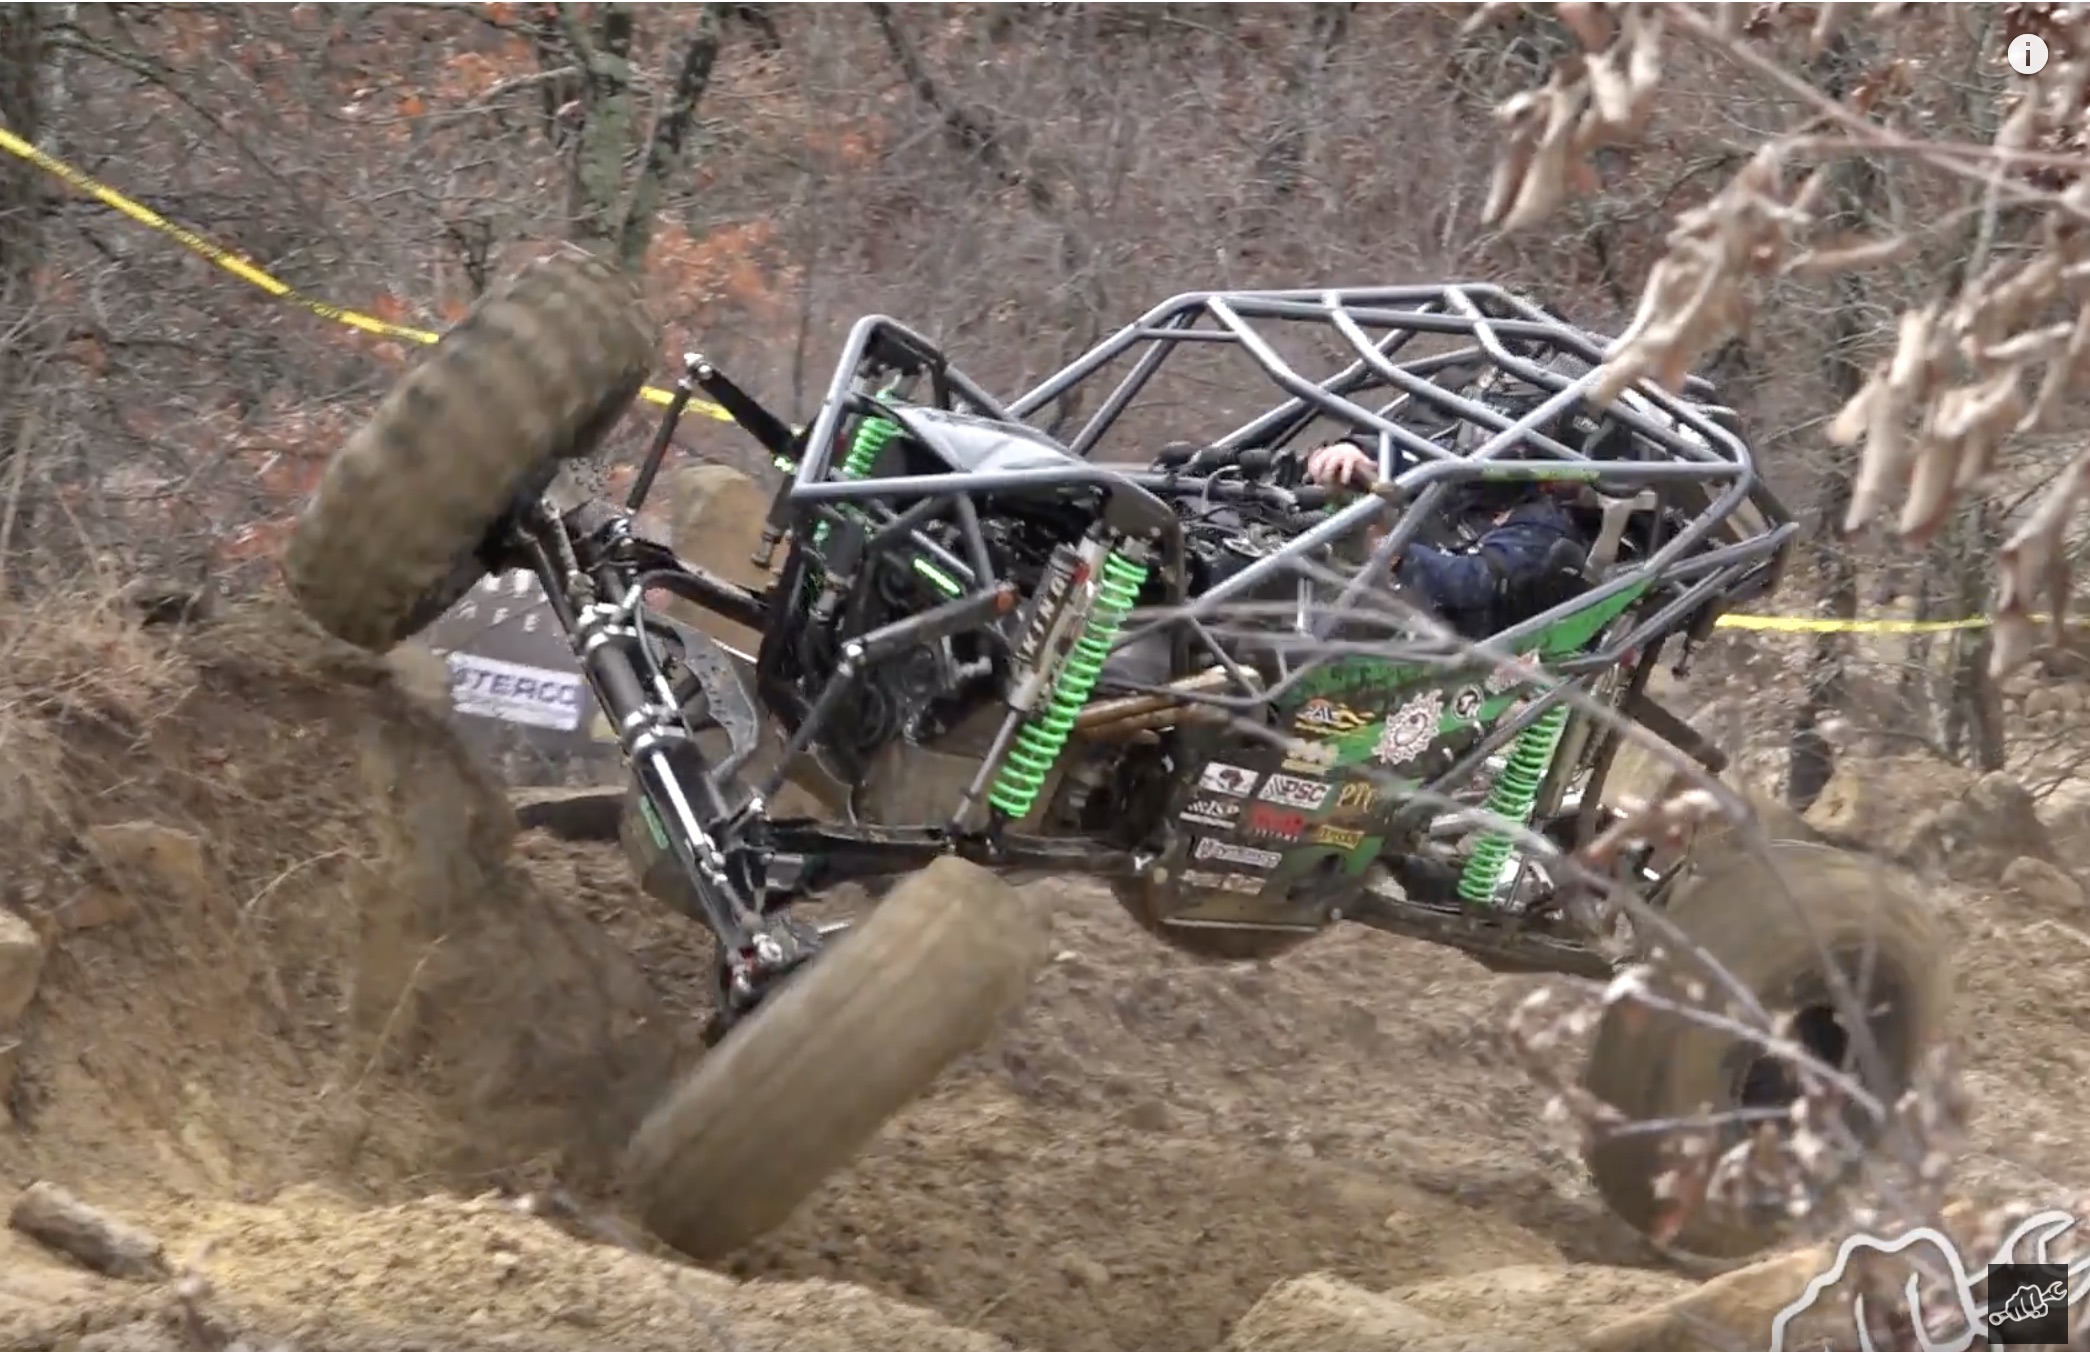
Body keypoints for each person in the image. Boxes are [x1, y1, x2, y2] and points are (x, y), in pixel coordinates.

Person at [1298, 438, 1593, 635]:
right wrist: (1351, 451)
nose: (1498, 449)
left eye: (1521, 450)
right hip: (1370, 586)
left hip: (1438, 636)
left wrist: (1389, 550)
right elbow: (1403, 457)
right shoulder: (1462, 471)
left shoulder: (1542, 527)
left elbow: (1473, 580)